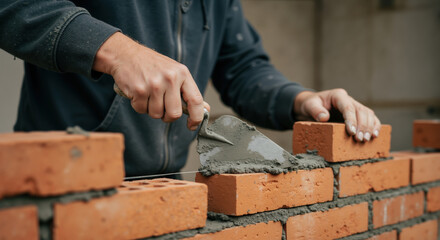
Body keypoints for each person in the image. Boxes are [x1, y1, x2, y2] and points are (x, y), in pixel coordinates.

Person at [0, 1, 380, 177]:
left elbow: (244, 68)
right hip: (58, 180)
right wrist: (116, 50)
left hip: (161, 185)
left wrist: (302, 99)